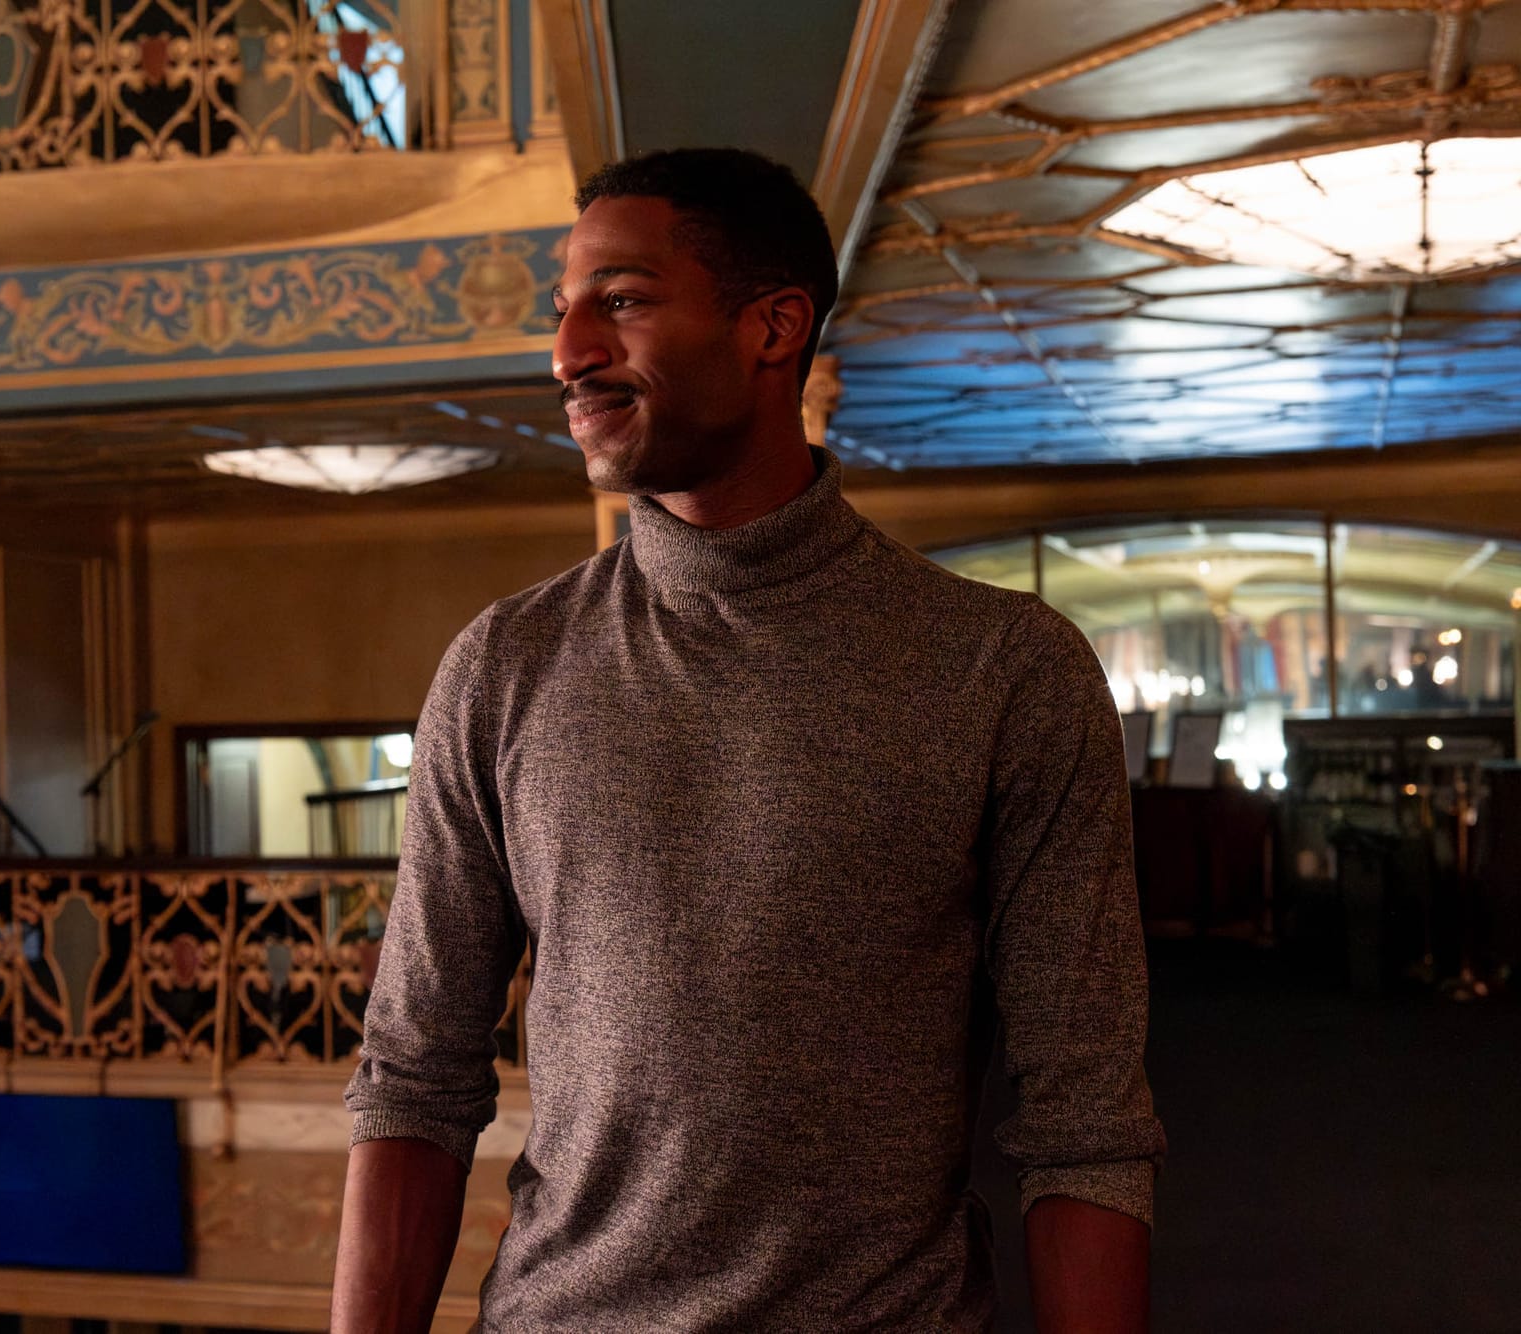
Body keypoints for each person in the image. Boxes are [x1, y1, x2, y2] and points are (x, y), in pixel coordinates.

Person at [332, 147, 1165, 1333]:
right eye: (562, 309)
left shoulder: (1004, 668)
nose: (566, 351)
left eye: (619, 301)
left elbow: (1085, 1122)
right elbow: (413, 1073)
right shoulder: (503, 664)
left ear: (772, 327)